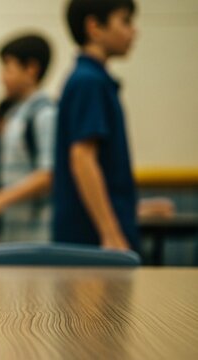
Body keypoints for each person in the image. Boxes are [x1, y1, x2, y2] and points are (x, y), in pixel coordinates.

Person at [53, 0, 172, 253]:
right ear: (94, 26)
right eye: (125, 21)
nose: (134, 31)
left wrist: (134, 208)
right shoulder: (89, 82)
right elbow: (82, 158)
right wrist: (111, 233)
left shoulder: (93, 80)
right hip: (92, 241)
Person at [0, 34, 56, 244]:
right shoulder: (16, 114)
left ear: (31, 69)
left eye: (8, 68)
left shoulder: (45, 114)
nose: (1, 78)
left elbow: (48, 175)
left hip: (39, 235)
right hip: (15, 233)